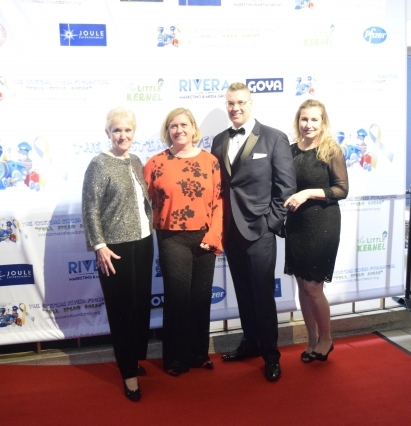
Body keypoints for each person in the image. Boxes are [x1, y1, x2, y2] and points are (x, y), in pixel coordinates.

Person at [210, 83, 296, 382]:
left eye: (241, 103)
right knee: (243, 293)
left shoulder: (274, 137)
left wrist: (270, 223)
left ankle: (271, 355)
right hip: (231, 230)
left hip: (260, 230)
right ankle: (250, 342)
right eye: (230, 103)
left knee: (262, 294)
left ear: (251, 104)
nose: (235, 108)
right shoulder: (219, 140)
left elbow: (286, 187)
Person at [143, 108, 223, 377]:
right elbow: (141, 202)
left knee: (201, 297)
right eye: (173, 126)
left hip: (204, 238)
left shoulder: (210, 161)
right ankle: (175, 358)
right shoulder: (155, 163)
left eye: (184, 125)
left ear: (193, 128)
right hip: (171, 238)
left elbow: (219, 201)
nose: (179, 130)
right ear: (167, 131)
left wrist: (213, 235)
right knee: (177, 299)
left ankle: (199, 354)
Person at [81, 107, 154, 402]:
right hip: (115, 249)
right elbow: (90, 208)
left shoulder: (136, 161)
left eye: (127, 130)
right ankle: (128, 373)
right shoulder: (99, 164)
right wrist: (99, 246)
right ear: (108, 133)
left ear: (134, 132)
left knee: (140, 308)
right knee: (122, 312)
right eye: (117, 130)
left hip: (144, 243)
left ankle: (133, 359)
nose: (123, 135)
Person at [283, 99, 348, 363]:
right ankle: (311, 339)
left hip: (323, 224)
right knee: (302, 284)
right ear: (298, 121)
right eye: (304, 119)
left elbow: (341, 190)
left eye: (314, 119)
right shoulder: (290, 151)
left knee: (313, 286)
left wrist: (308, 193)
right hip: (297, 224)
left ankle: (326, 338)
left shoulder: (331, 150)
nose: (308, 124)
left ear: (323, 122)